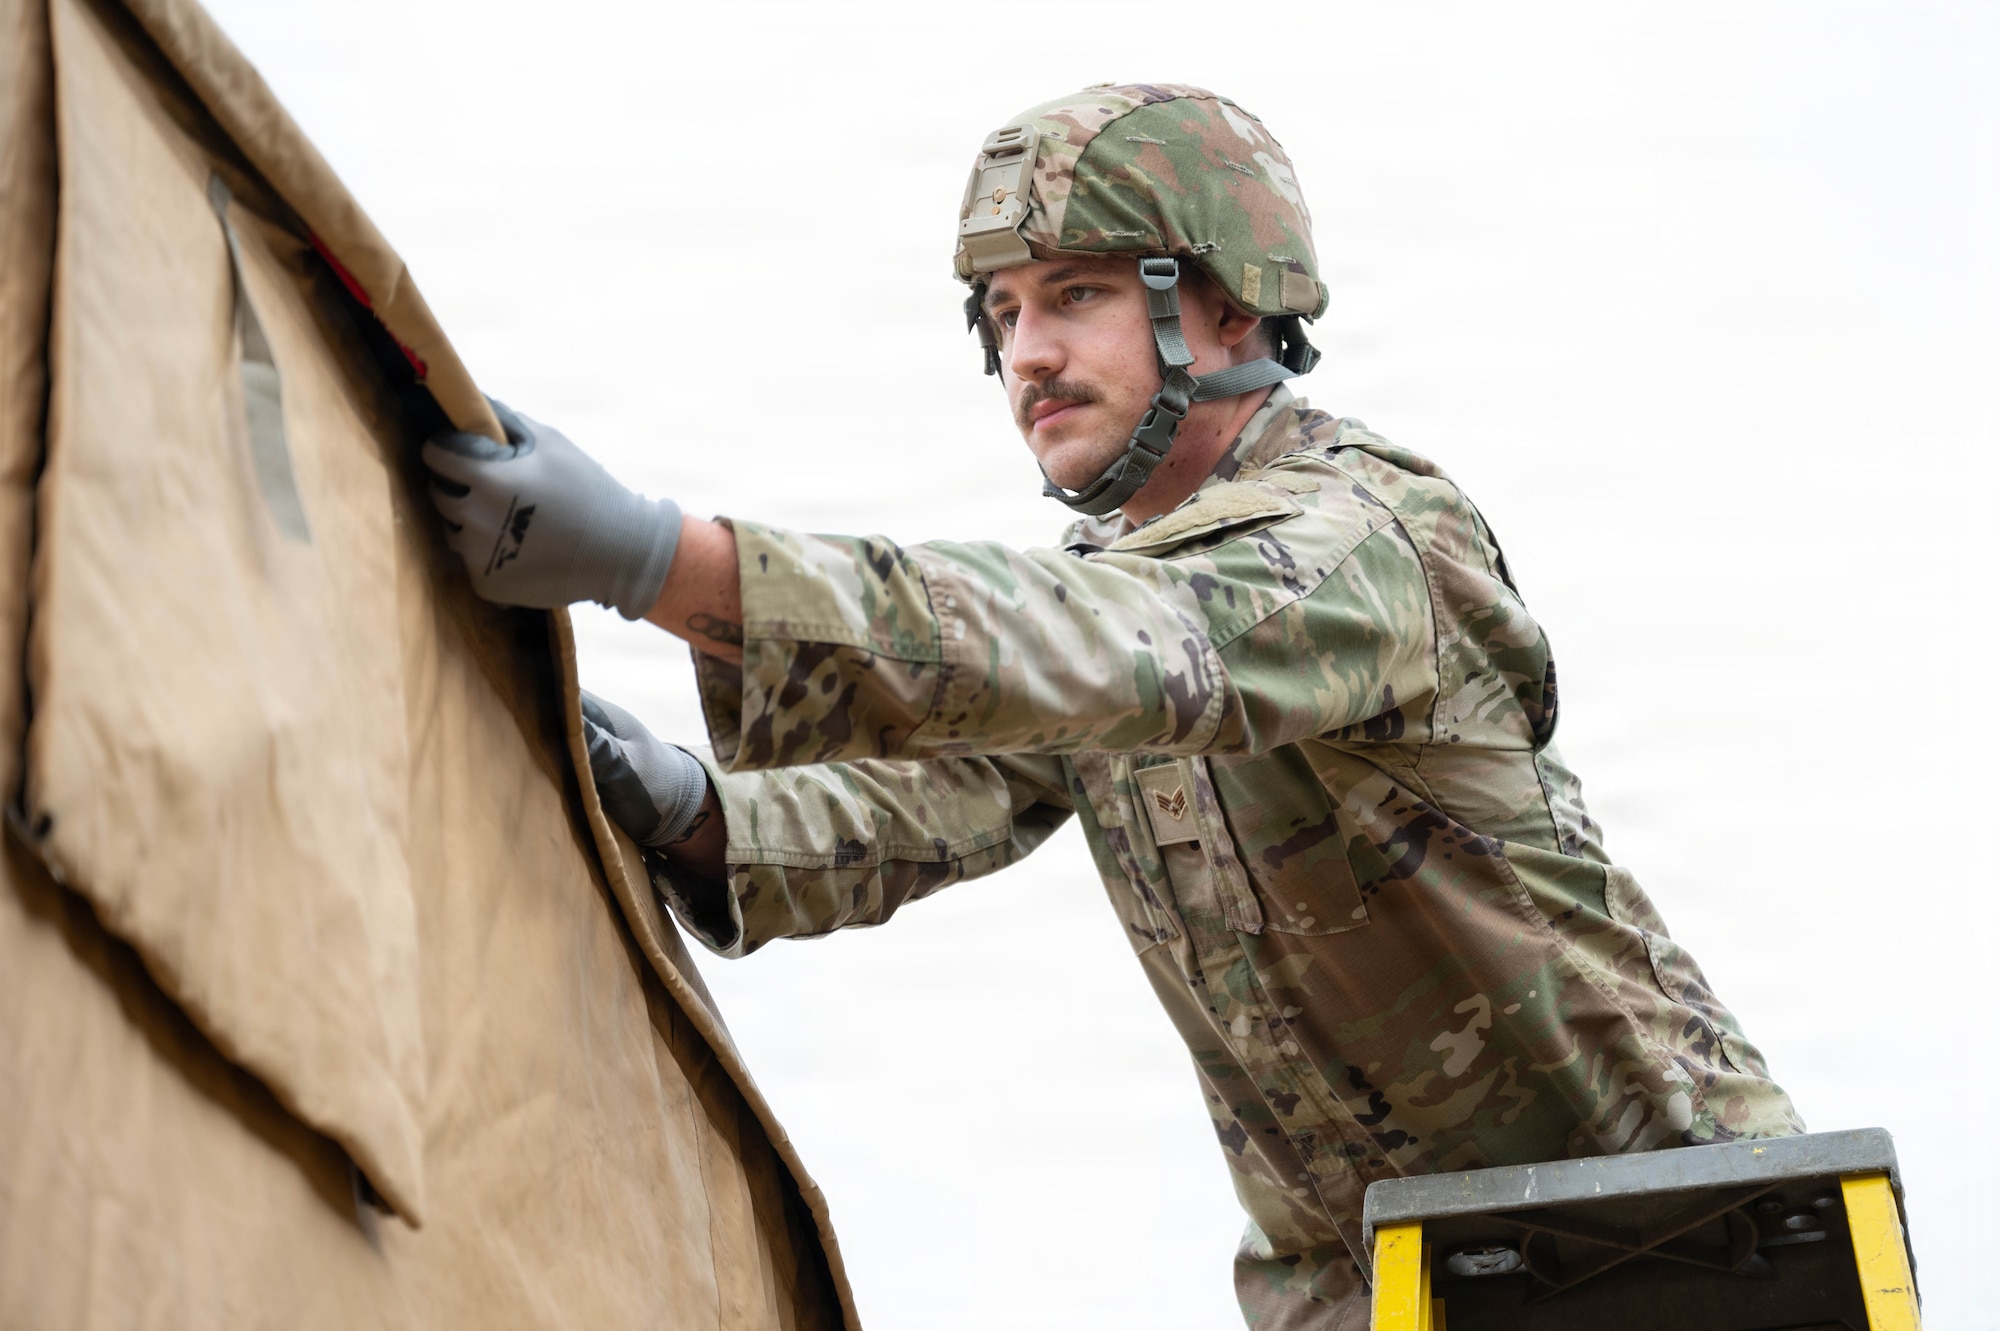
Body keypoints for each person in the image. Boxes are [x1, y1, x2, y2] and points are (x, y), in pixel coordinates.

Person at [422, 84, 1802, 1328]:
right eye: (1002, 313)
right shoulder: (1111, 592)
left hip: (1678, 1250)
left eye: (1074, 293)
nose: (1025, 353)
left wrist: (656, 561)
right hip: (1380, 1293)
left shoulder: (1362, 538)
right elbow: (931, 794)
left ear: (1232, 305)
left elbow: (1112, 647)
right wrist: (689, 808)